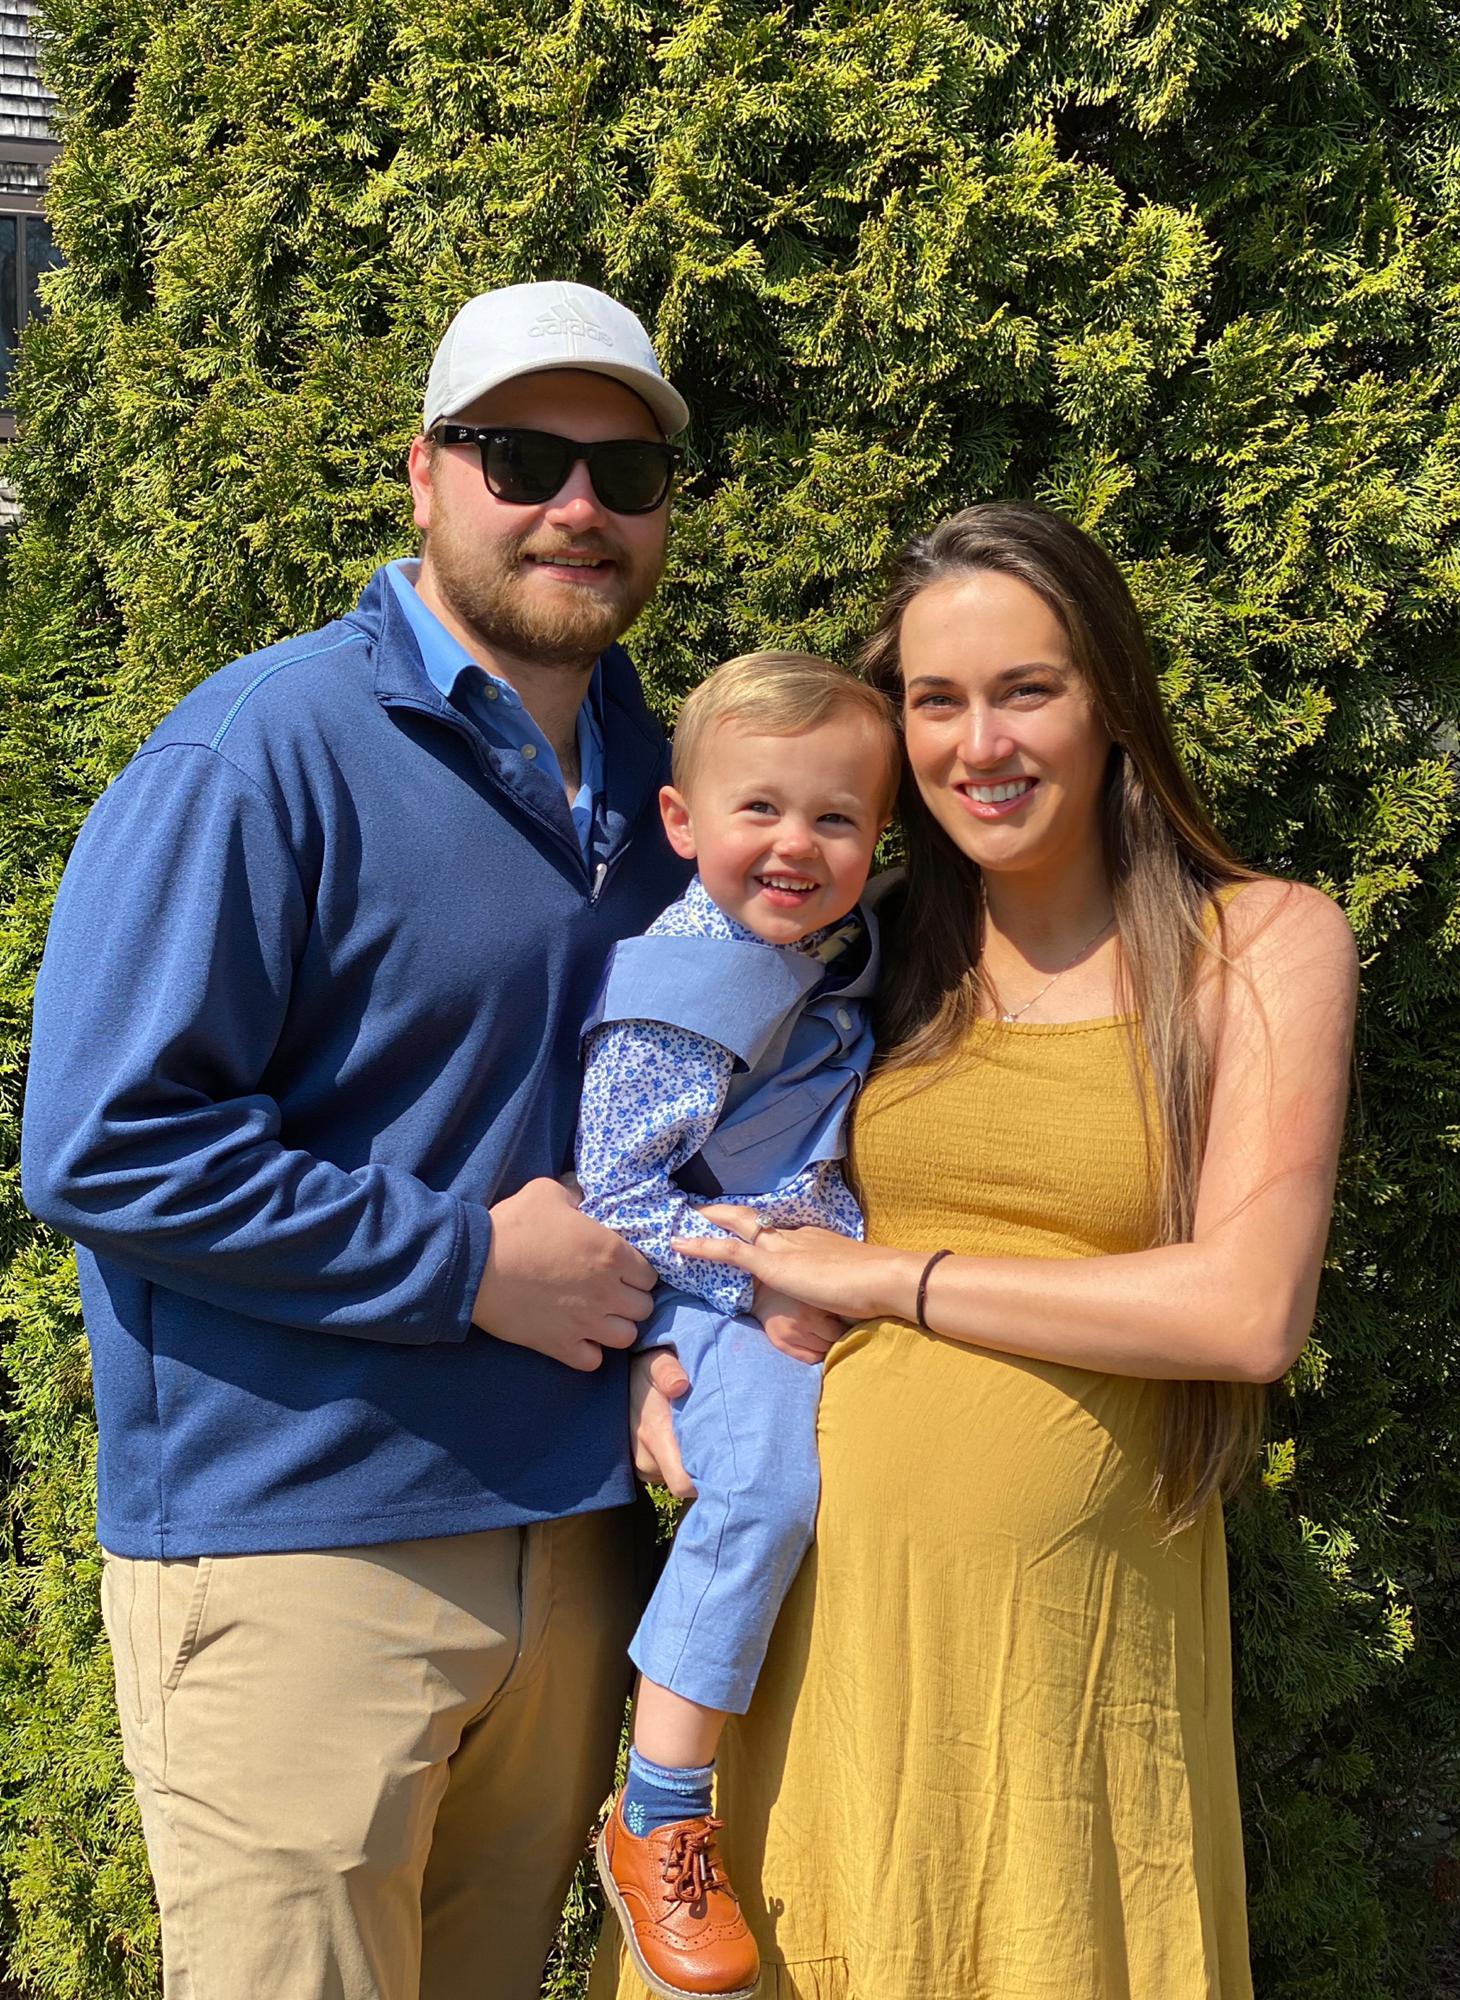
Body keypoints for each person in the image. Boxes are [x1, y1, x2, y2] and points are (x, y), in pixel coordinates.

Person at [22, 279, 716, 2000]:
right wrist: (467, 1265)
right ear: (423, 473)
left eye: (626, 474)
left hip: (576, 1550)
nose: (577, 507)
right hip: (301, 1553)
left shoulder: (677, 785)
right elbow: (105, 1145)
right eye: (522, 458)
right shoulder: (261, 753)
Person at [605, 503, 1358, 1999]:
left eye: (1027, 690)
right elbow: (665, 1157)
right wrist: (661, 1345)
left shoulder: (1260, 943)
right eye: (937, 701)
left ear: (1111, 701)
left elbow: (1249, 1311)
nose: (980, 744)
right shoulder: (854, 952)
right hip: (809, 1633)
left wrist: (885, 1280)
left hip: (1060, 1666)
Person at [575, 652, 899, 2000]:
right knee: (760, 1497)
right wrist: (753, 1285)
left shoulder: (828, 952)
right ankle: (660, 1810)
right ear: (680, 821)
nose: (795, 844)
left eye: (836, 819)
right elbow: (616, 1195)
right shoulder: (685, 988)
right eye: (758, 809)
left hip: (806, 1278)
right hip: (725, 1293)